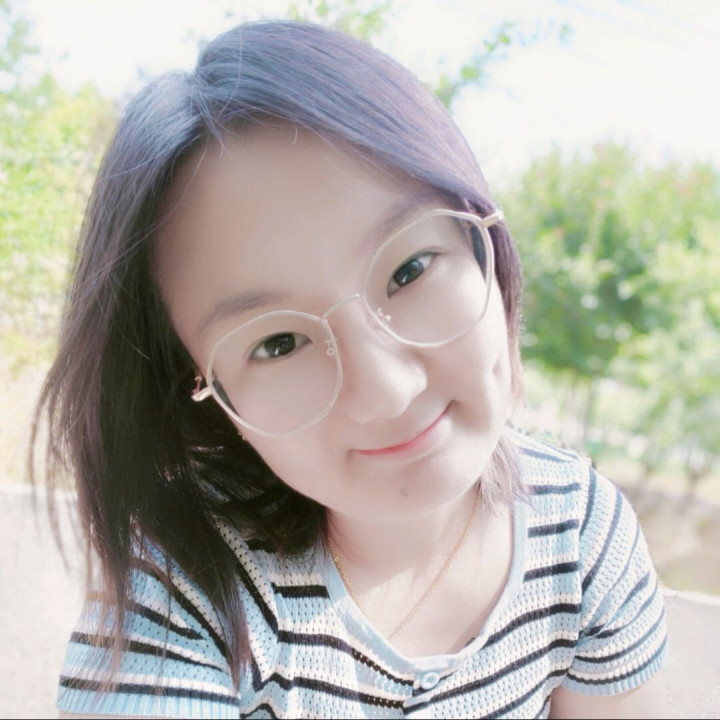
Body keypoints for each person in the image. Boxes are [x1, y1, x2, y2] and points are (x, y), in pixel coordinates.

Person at [36, 19, 668, 719]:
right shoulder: (183, 585)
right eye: (278, 343)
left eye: (411, 270)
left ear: (483, 238)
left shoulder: (578, 531)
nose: (387, 392)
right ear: (204, 392)